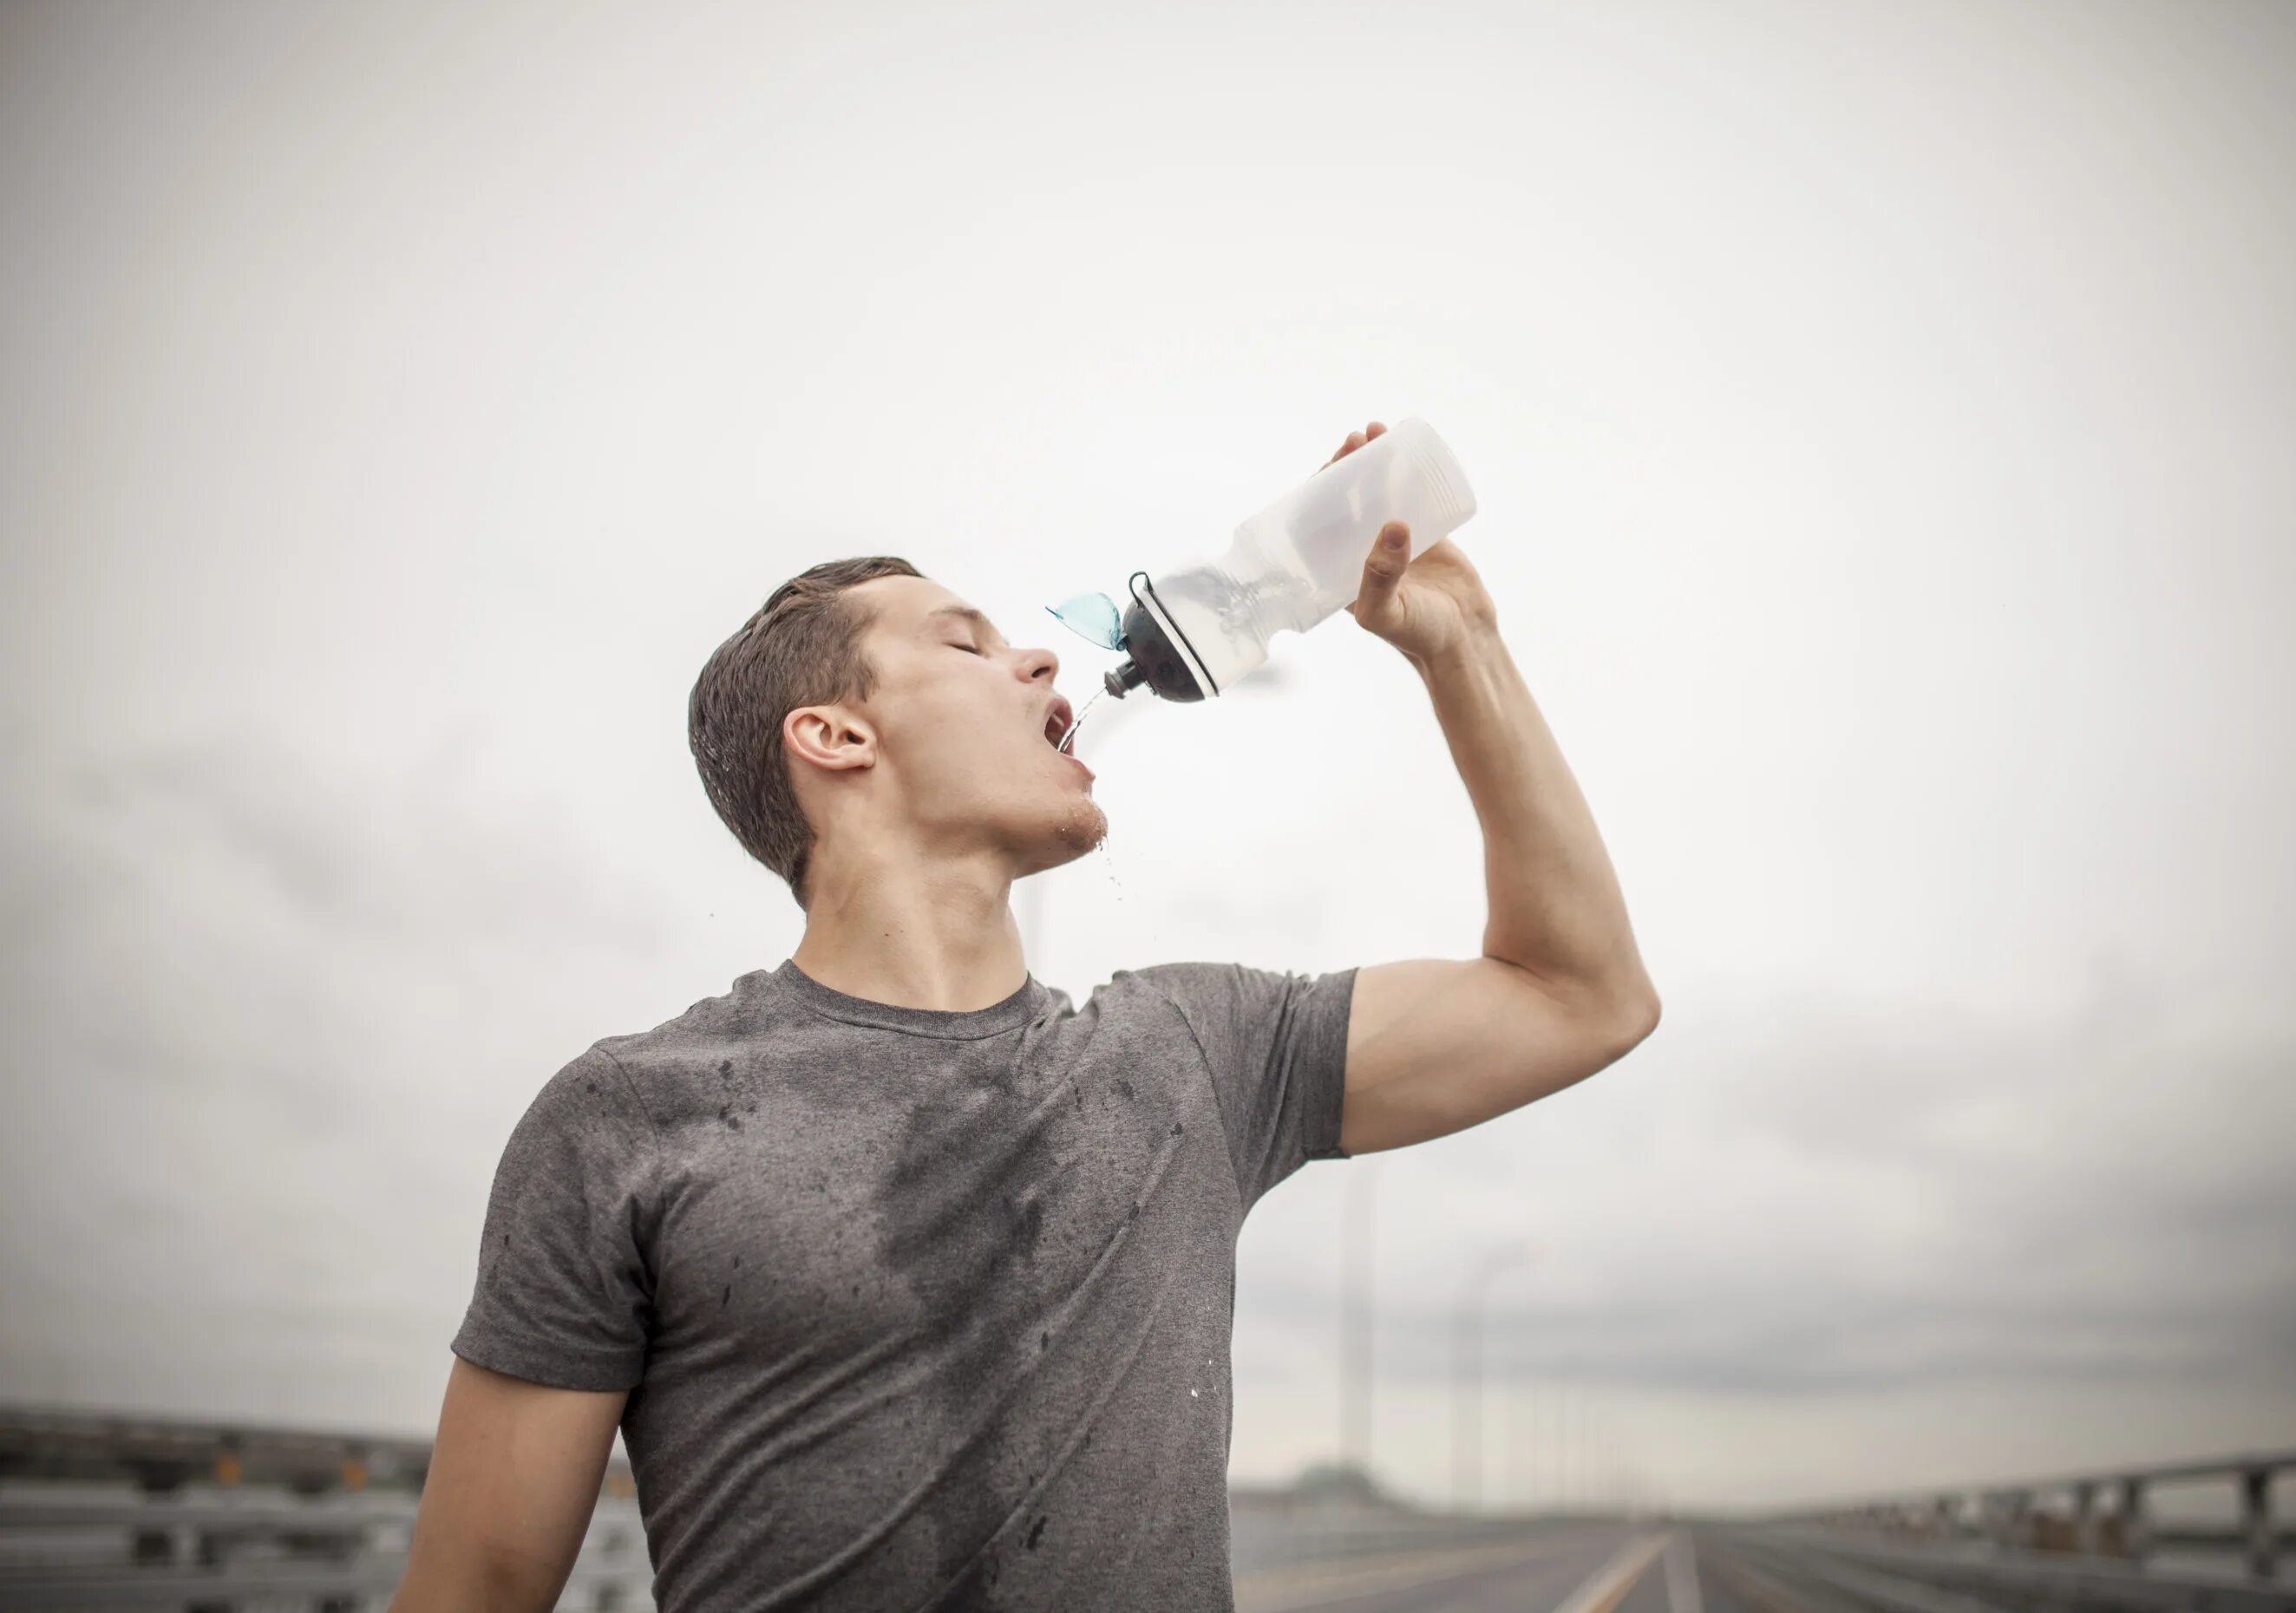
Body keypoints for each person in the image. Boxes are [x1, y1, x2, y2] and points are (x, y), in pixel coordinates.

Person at [391, 421, 1658, 1613]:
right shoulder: (622, 1122)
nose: (1043, 659)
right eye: (966, 644)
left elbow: (1579, 997)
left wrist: (1463, 645)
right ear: (833, 734)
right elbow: (476, 1593)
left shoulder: (1195, 1055)